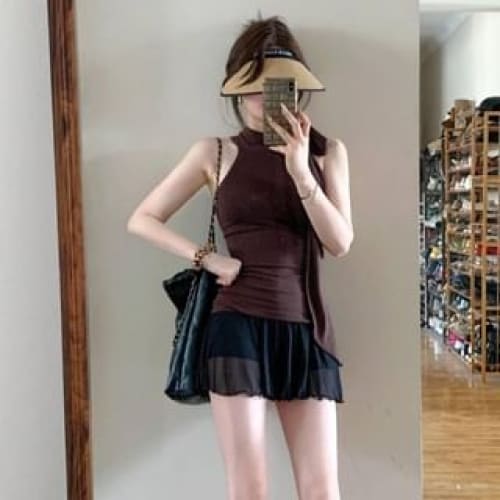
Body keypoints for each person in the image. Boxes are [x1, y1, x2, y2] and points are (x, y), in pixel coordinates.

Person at [127, 15, 353, 500]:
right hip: (237, 326)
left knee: (322, 490)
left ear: (295, 87)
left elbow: (339, 243)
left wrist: (300, 172)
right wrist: (206, 258)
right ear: (234, 87)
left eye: (274, 85)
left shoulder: (326, 153)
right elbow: (142, 218)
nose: (260, 98)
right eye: (251, 85)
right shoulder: (215, 152)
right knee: (249, 490)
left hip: (306, 329)